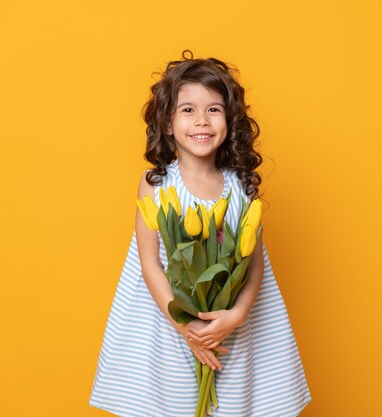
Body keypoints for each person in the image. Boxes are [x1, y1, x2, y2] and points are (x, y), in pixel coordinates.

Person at [89, 50, 311, 416]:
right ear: (167, 122)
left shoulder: (240, 185)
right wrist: (187, 328)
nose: (202, 121)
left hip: (230, 328)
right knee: (173, 403)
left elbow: (255, 265)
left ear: (230, 120)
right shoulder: (157, 183)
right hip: (171, 326)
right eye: (188, 110)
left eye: (214, 109)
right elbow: (149, 265)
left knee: (231, 405)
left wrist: (236, 316)